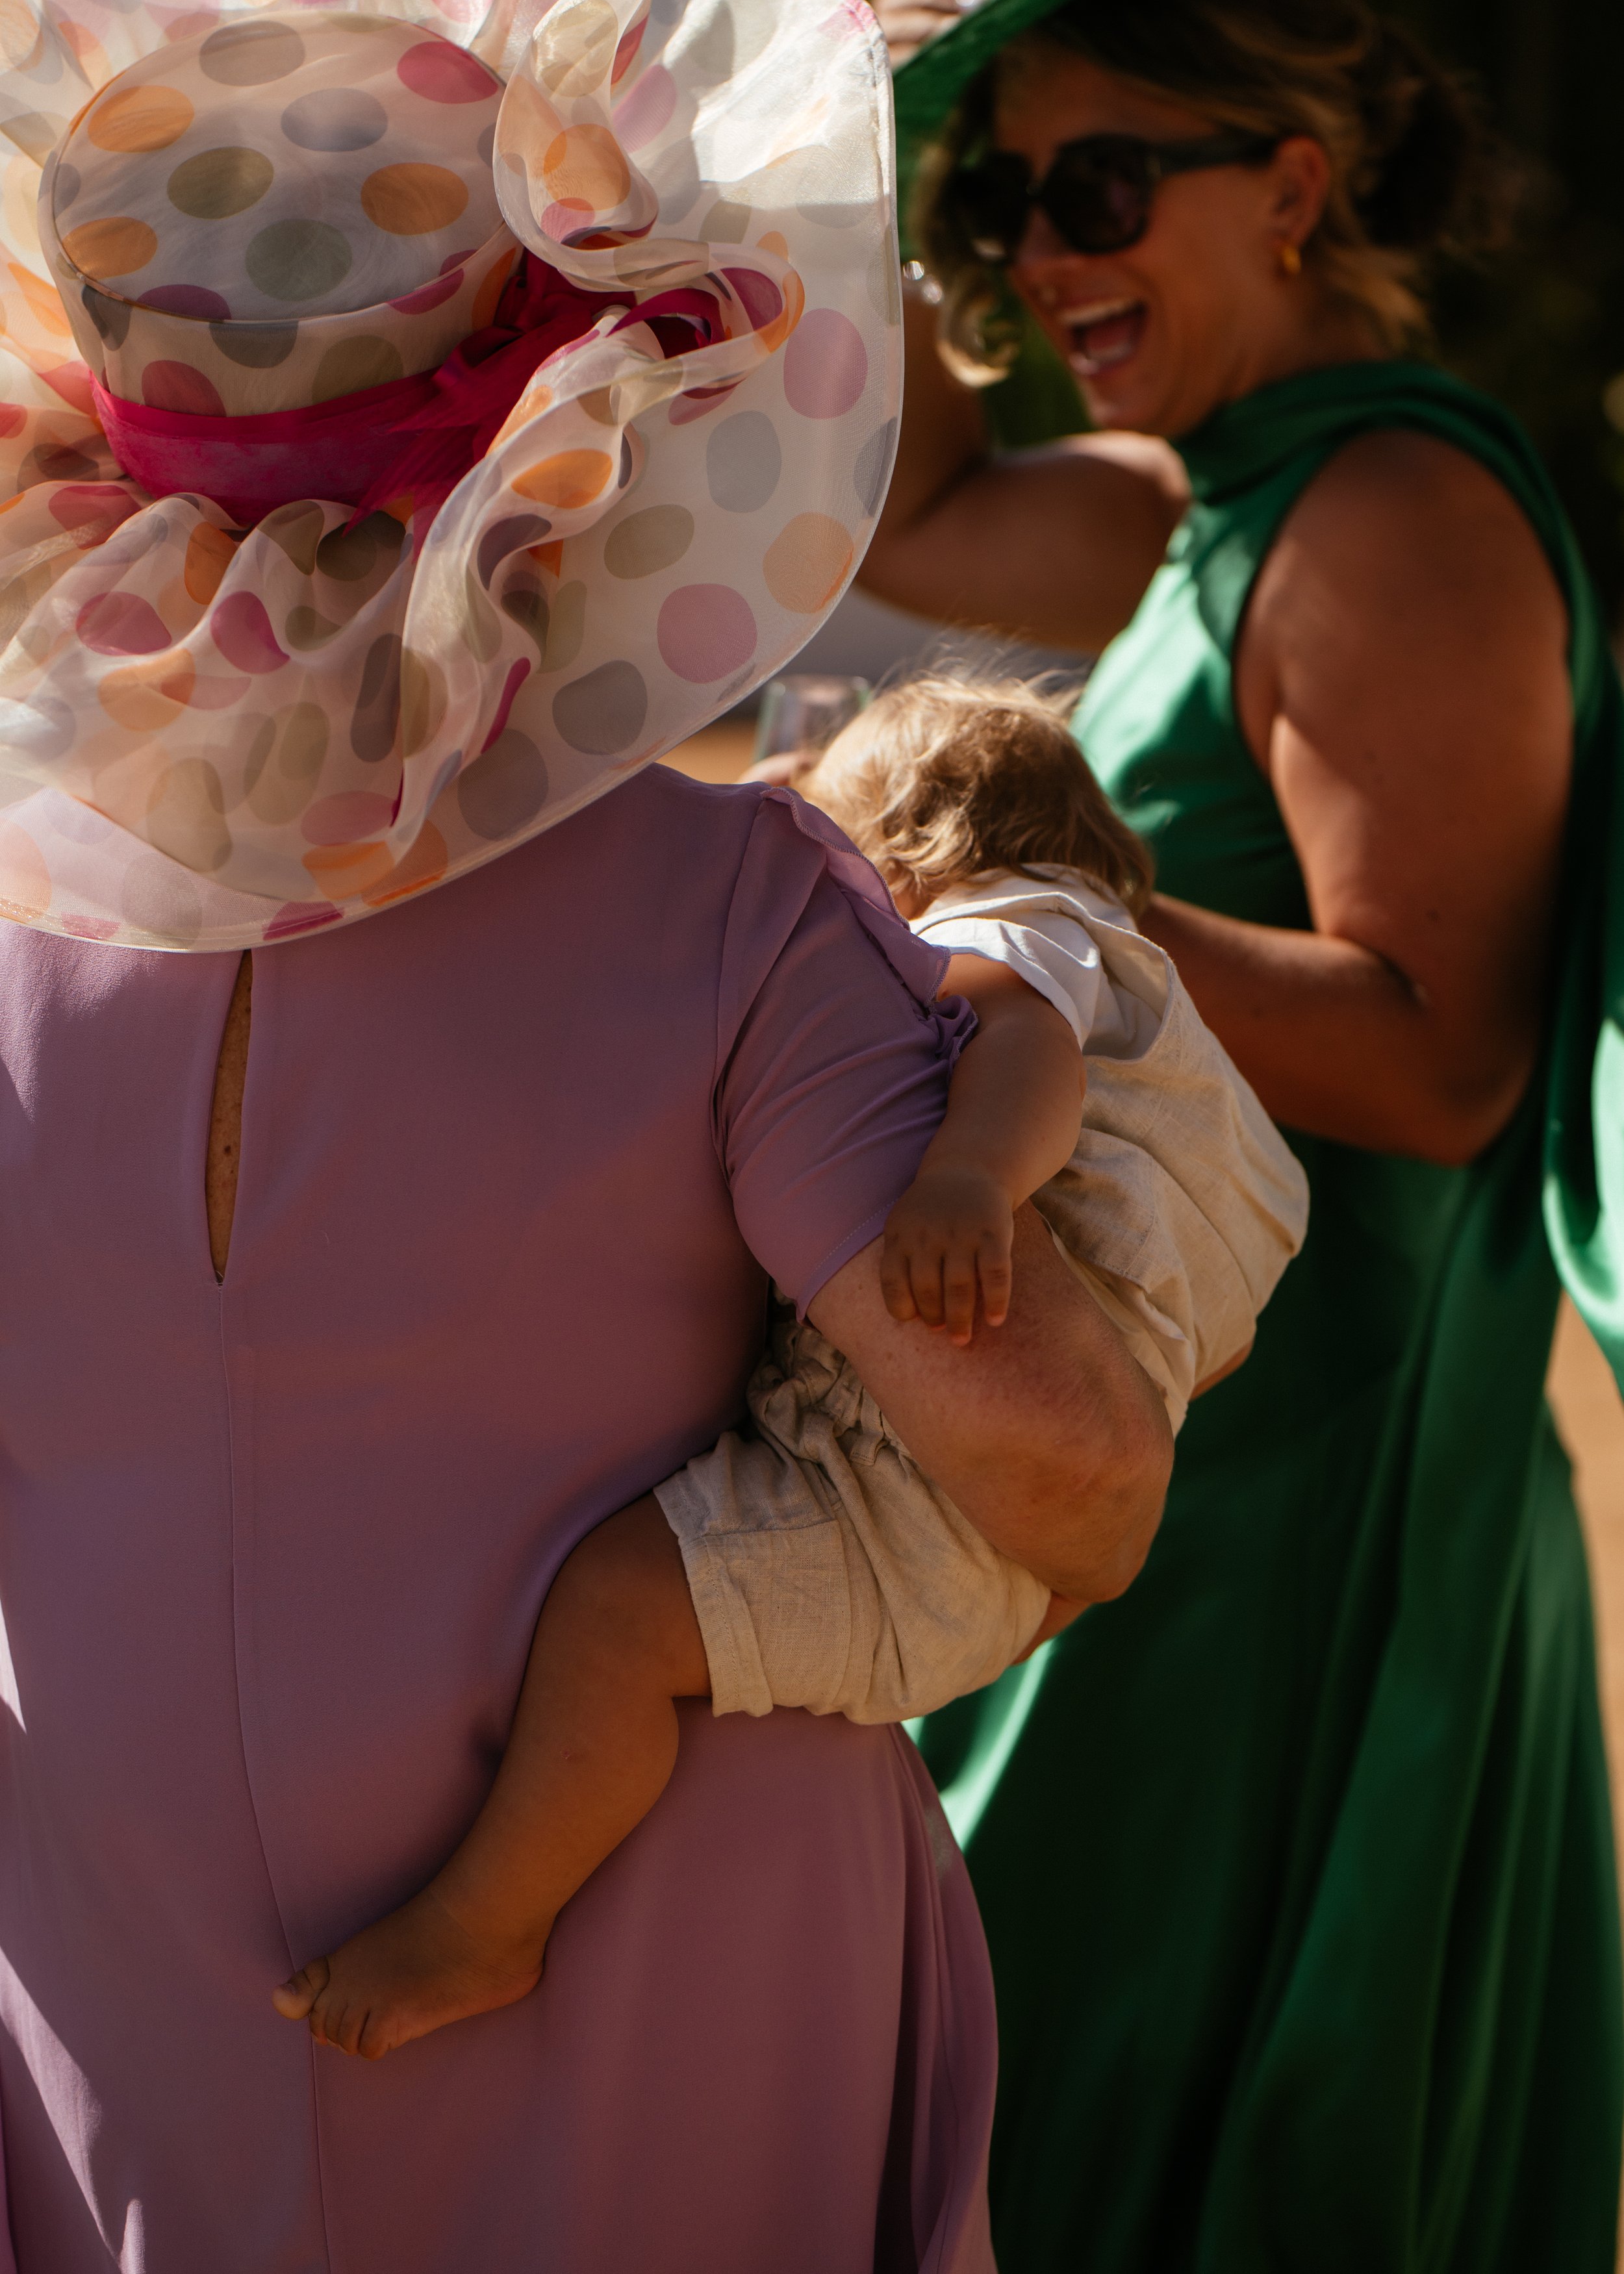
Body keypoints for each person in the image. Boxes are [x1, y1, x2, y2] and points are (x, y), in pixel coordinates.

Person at [0, 0, 1174, 2268]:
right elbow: (1066, 1472)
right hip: (680, 2016)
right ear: (564, 421)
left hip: (117, 2009)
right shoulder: (730, 908)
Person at [848, 0, 1624, 2266]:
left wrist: (1036, 907)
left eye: (1099, 188)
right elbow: (908, 513)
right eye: (1010, 217)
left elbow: (1441, 1059)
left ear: (1289, 184)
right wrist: (866, 164)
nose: (1051, 262)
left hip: (1311, 1494)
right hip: (1177, 1426)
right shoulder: (1219, 496)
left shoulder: (1386, 511)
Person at [268, 673, 1305, 2060]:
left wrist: (967, 1181)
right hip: (997, 1523)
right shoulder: (1184, 1063)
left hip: (916, 1498)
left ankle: (484, 1923)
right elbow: (1224, 1336)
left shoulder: (1012, 926)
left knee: (619, 1620)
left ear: (912, 859)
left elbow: (1020, 1039)